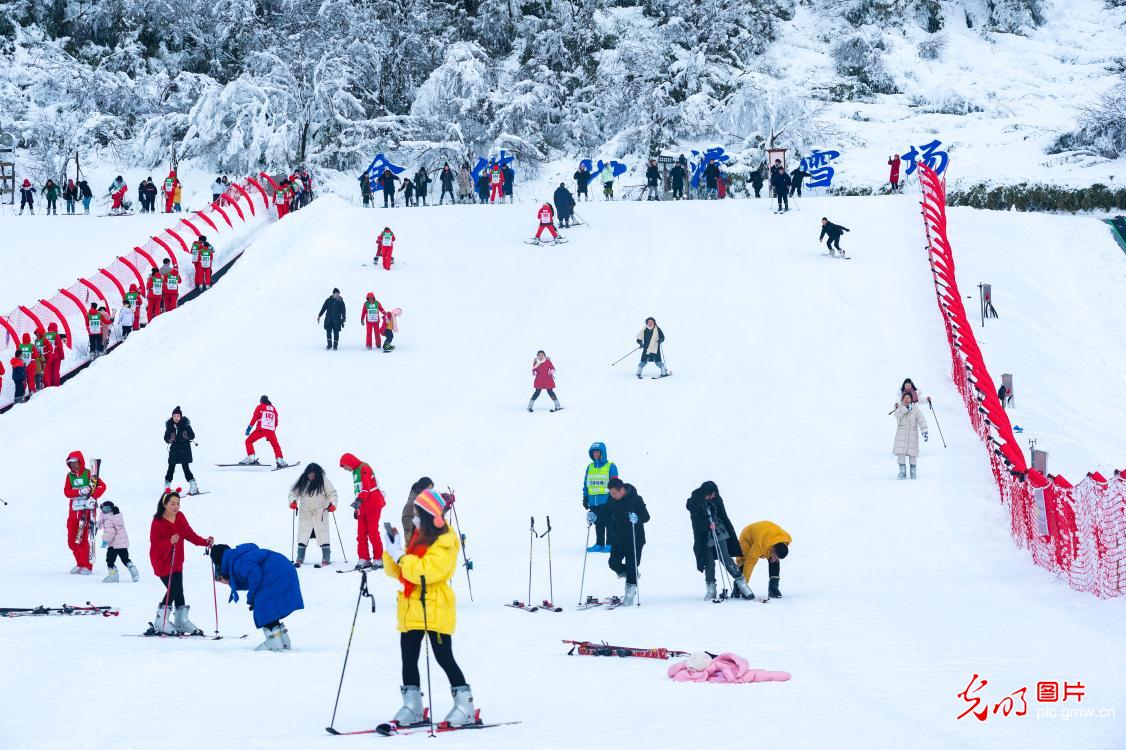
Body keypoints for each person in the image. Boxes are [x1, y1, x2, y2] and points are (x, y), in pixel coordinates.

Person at [379, 489, 477, 729]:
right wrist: (392, 550)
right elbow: (400, 572)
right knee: (408, 657)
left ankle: (465, 706)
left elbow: (426, 572)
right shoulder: (419, 537)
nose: (414, 518)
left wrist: (401, 557)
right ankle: (412, 706)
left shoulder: (445, 541)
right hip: (412, 605)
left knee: (444, 657)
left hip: (435, 605)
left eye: (417, 514)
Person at [210, 543, 304, 650]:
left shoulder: (238, 562)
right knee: (269, 607)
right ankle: (282, 640)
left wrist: (251, 598)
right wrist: (230, 582)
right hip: (283, 570)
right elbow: (252, 579)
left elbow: (256, 577)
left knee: (264, 606)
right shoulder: (238, 558)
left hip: (275, 574)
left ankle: (275, 643)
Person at [149, 490, 213, 635]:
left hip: (176, 561)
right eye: (172, 503)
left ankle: (181, 621)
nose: (176, 506)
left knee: (179, 590)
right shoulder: (158, 522)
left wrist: (205, 542)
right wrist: (169, 542)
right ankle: (161, 621)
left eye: (178, 503)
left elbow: (189, 534)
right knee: (173, 589)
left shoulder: (180, 517)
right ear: (165, 504)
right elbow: (155, 545)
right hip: (162, 560)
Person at [686, 481, 754, 599]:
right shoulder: (694, 502)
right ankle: (711, 590)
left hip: (719, 530)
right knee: (709, 562)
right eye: (711, 494)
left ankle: (743, 585)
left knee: (725, 557)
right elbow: (696, 521)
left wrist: (716, 525)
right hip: (703, 535)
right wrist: (707, 525)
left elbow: (723, 515)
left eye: (714, 494)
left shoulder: (716, 499)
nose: (713, 496)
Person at [605, 478, 649, 606]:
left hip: (635, 538)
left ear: (622, 490)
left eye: (614, 493)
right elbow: (606, 513)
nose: (612, 496)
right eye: (611, 493)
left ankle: (630, 592)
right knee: (613, 563)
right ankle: (633, 574)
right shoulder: (611, 499)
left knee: (631, 565)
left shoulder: (636, 499)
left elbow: (646, 516)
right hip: (618, 538)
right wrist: (595, 516)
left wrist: (637, 518)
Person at [340, 453, 385, 570]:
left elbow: (366, 488)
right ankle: (364, 558)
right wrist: (357, 507)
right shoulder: (355, 471)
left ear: (350, 462)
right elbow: (359, 491)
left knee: (372, 531)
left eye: (345, 466)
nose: (345, 469)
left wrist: (359, 501)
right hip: (363, 505)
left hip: (373, 502)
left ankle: (378, 558)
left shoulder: (364, 467)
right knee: (361, 533)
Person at [289, 463, 338, 568]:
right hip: (305, 514)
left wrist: (333, 504)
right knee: (303, 536)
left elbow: (332, 494)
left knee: (323, 535)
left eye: (313, 474)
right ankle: (299, 558)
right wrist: (293, 502)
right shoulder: (302, 480)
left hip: (320, 514)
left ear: (317, 473)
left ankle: (326, 558)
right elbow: (293, 493)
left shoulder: (323, 481)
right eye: (309, 474)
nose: (311, 476)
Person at [64, 451, 105, 574]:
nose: (73, 466)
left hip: (86, 512)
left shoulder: (89, 474)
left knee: (82, 540)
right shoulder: (69, 476)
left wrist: (93, 497)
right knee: (72, 541)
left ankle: (87, 566)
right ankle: (80, 563)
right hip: (73, 512)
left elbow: (102, 486)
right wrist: (79, 491)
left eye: (75, 463)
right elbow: (67, 492)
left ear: (80, 462)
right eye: (70, 464)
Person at [736, 522, 790, 599]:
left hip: (767, 533)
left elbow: (777, 553)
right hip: (748, 537)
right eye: (775, 556)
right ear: (772, 549)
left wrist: (775, 557)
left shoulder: (783, 540)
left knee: (774, 561)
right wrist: (744, 586)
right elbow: (750, 562)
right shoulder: (759, 545)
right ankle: (738, 587)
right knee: (744, 561)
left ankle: (773, 588)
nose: (775, 559)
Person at [582, 442, 618, 552]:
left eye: (597, 452)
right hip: (593, 501)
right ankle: (599, 543)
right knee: (598, 522)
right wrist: (585, 497)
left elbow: (615, 483)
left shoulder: (610, 466)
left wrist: (614, 497)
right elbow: (586, 483)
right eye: (594, 452)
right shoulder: (590, 467)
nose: (595, 454)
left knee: (609, 522)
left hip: (607, 500)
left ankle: (610, 544)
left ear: (603, 453)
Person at [241, 395, 288, 468]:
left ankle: (251, 458)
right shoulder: (274, 409)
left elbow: (255, 417)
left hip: (261, 429)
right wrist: (271, 431)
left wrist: (249, 428)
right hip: (271, 431)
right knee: (275, 445)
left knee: (248, 441)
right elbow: (276, 422)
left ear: (261, 401)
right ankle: (280, 461)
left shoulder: (260, 407)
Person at [98, 501, 139, 583]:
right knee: (125, 559)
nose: (105, 510)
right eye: (103, 509)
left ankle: (113, 575)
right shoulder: (117, 516)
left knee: (110, 561)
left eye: (106, 509)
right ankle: (134, 572)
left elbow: (110, 532)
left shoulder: (107, 520)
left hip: (113, 545)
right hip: (122, 544)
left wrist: (105, 541)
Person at [892, 392, 929, 479]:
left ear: (911, 399)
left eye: (908, 398)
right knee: (901, 453)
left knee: (912, 454)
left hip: (912, 436)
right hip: (901, 436)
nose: (906, 399)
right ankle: (902, 471)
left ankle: (913, 472)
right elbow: (897, 415)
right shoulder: (900, 407)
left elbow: (921, 420)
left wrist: (924, 431)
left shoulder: (916, 409)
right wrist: (905, 408)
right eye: (905, 398)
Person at [164, 406, 198, 494]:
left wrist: (187, 436)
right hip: (174, 450)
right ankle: (167, 486)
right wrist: (170, 439)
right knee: (171, 468)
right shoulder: (170, 426)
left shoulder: (186, 425)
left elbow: (192, 435)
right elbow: (166, 437)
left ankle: (193, 486)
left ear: (181, 417)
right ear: (172, 416)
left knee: (185, 468)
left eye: (178, 416)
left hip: (184, 449)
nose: (176, 418)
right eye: (174, 416)